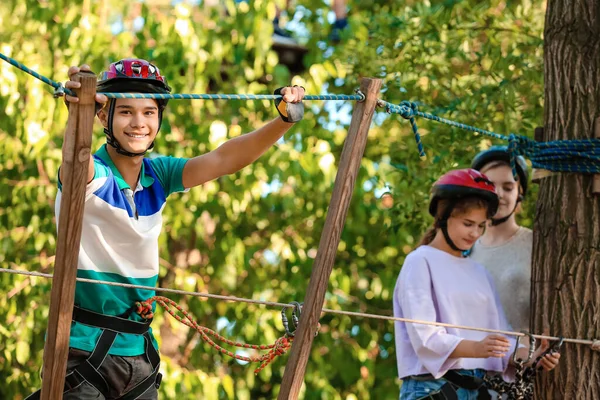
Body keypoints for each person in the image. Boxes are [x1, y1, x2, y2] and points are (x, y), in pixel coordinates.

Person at [27, 58, 305, 400]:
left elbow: (224, 159)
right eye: (126, 111)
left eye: (149, 112)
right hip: (82, 350)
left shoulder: (159, 176)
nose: (139, 123)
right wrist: (79, 113)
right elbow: (75, 161)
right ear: (104, 116)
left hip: (138, 356)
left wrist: (283, 121)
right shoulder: (93, 176)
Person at [393, 169, 559, 400]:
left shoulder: (479, 271)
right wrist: (476, 348)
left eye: (481, 226)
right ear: (443, 216)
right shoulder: (419, 261)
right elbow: (425, 337)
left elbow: (502, 340)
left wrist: (532, 357)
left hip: (479, 391)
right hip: (433, 390)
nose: (474, 233)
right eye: (468, 223)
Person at [468, 147, 531, 334]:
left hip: (525, 359)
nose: (499, 194)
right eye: (491, 185)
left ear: (519, 193)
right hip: (475, 360)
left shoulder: (535, 244)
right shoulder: (465, 249)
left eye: (508, 187)